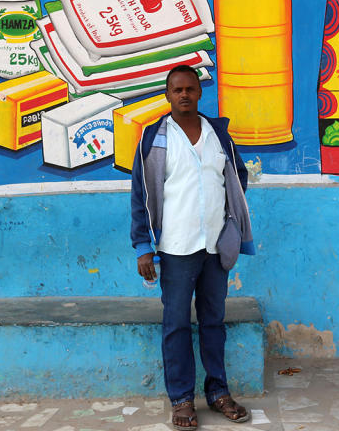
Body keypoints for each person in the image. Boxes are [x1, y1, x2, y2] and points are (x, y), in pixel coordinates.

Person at [130, 64, 256, 430]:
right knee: (176, 324)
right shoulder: (154, 139)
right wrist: (143, 245)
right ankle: (182, 400)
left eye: (190, 89)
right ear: (167, 95)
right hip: (176, 247)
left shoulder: (219, 135)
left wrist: (231, 223)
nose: (184, 95)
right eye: (177, 90)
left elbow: (237, 177)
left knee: (214, 322)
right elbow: (140, 194)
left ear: (200, 92)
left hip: (216, 247)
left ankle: (218, 392)